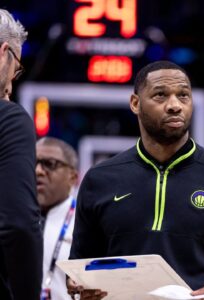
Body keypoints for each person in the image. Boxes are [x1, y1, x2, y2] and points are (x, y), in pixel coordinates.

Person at [67, 60, 204, 299]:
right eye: (160, 95)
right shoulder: (99, 179)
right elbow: (79, 268)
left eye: (183, 96)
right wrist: (79, 285)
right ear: (135, 103)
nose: (175, 105)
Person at [0, 9, 43, 300]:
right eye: (16, 71)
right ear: (5, 53)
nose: (11, 85)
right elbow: (18, 225)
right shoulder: (9, 119)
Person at [36, 137, 78, 300]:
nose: (38, 170)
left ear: (72, 177)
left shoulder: (86, 223)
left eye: (50, 164)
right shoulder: (10, 219)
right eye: (33, 163)